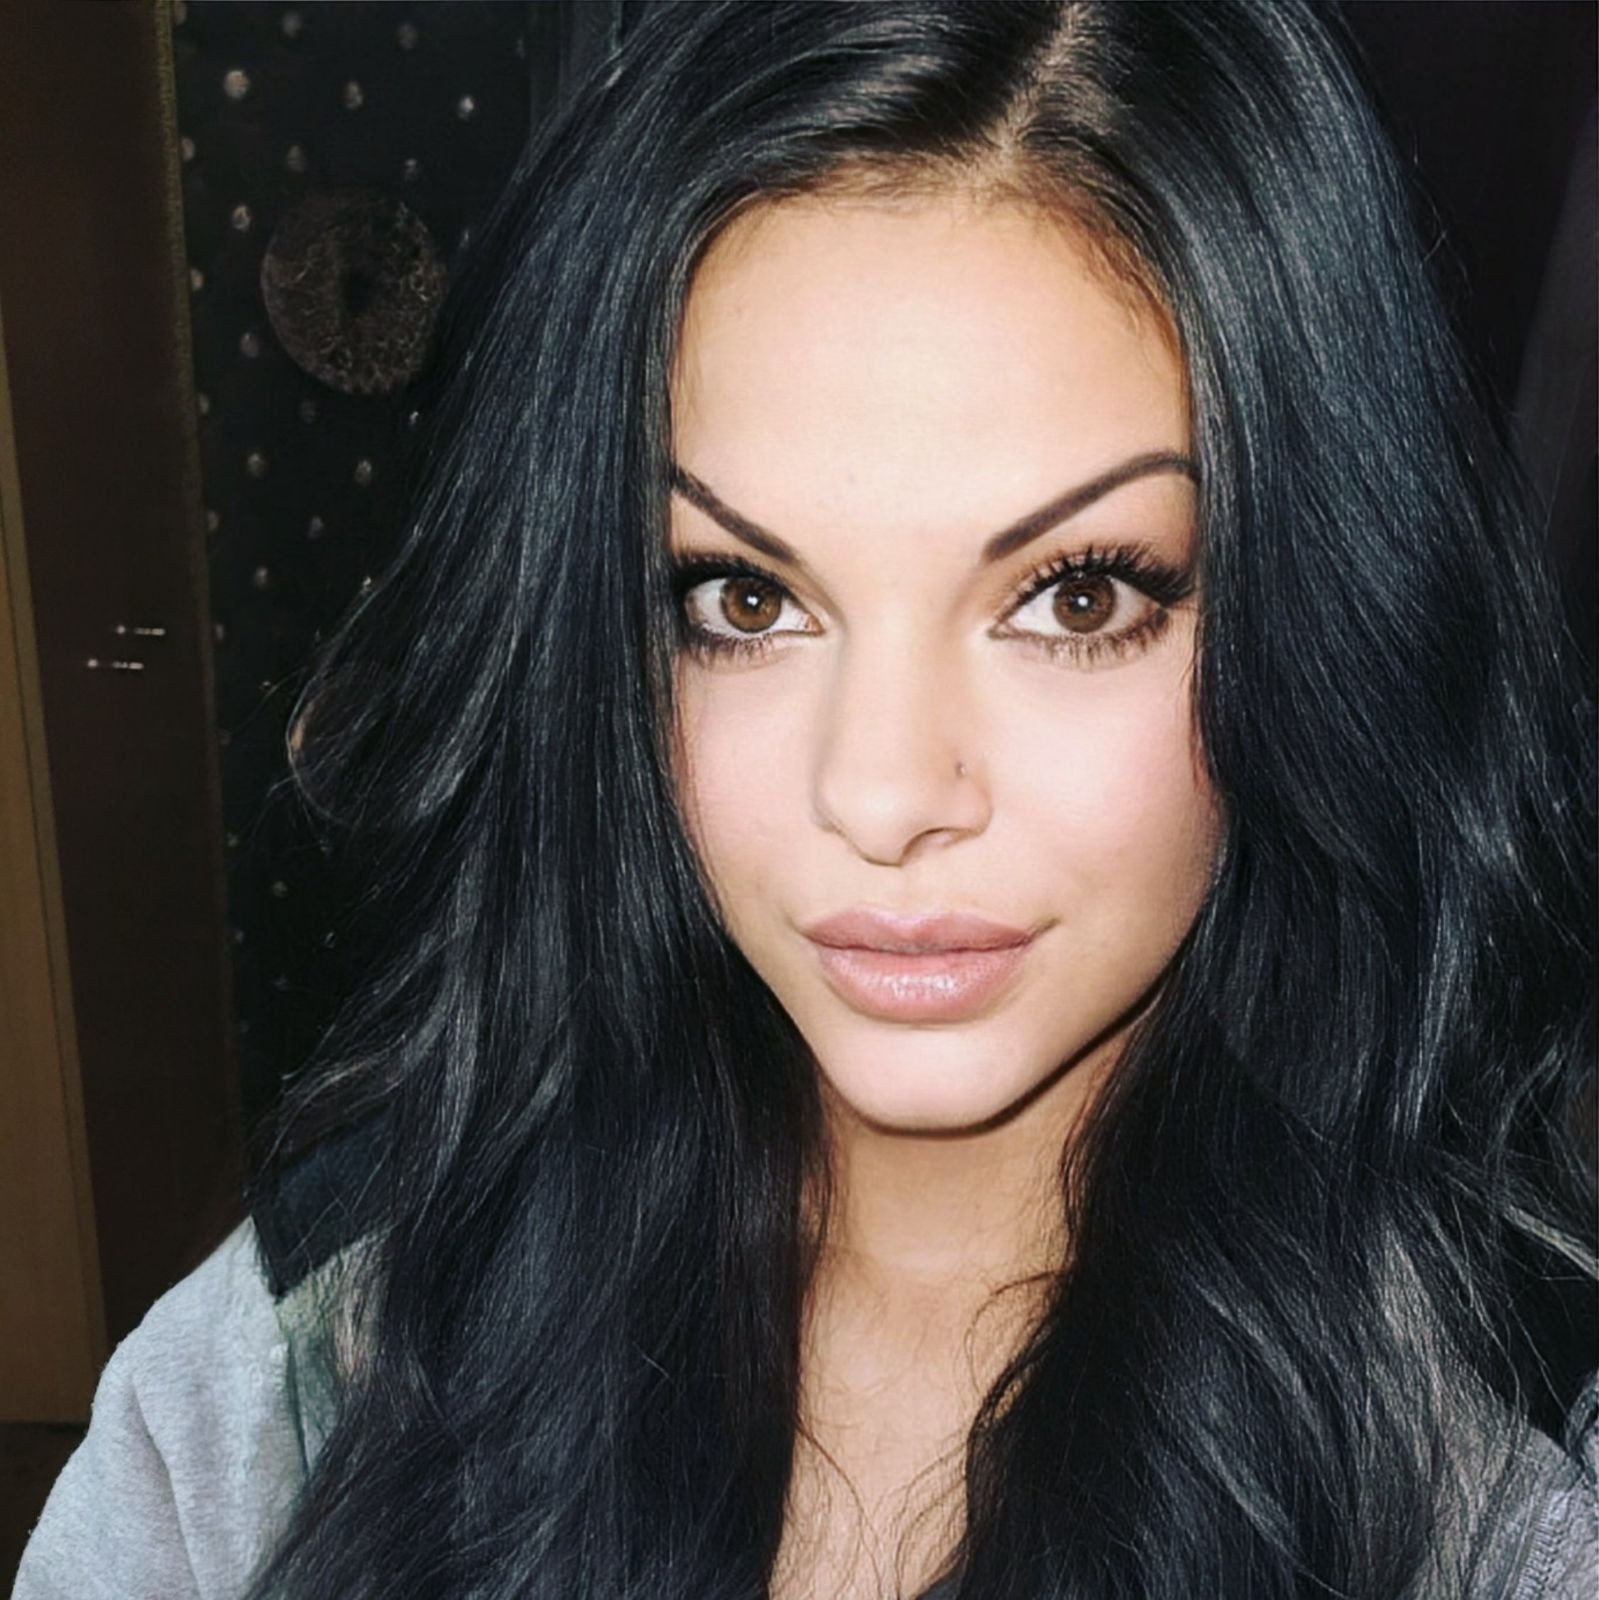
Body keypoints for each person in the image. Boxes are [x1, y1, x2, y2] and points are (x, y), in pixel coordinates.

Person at [14, 3, 1596, 1597]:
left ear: (1322, 615)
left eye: (1080, 595)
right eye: (744, 600)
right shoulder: (312, 1358)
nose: (884, 796)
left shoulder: (1507, 1507)